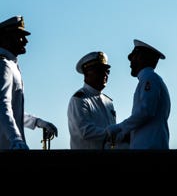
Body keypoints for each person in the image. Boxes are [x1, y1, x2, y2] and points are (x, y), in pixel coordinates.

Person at [0, 15, 58, 150]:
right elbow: (2, 106)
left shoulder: (10, 64)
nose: (25, 41)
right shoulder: (4, 65)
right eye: (20, 36)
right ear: (6, 38)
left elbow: (13, 110)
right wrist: (16, 139)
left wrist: (36, 122)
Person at [107, 39, 170, 149]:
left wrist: (120, 128)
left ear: (141, 57)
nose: (130, 61)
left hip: (149, 146)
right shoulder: (149, 79)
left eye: (133, 57)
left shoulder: (149, 78)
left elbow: (146, 111)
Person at [67, 50, 127, 149]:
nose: (105, 75)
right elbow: (85, 131)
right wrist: (113, 133)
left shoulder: (108, 102)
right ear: (86, 73)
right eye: (99, 70)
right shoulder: (79, 99)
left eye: (107, 71)